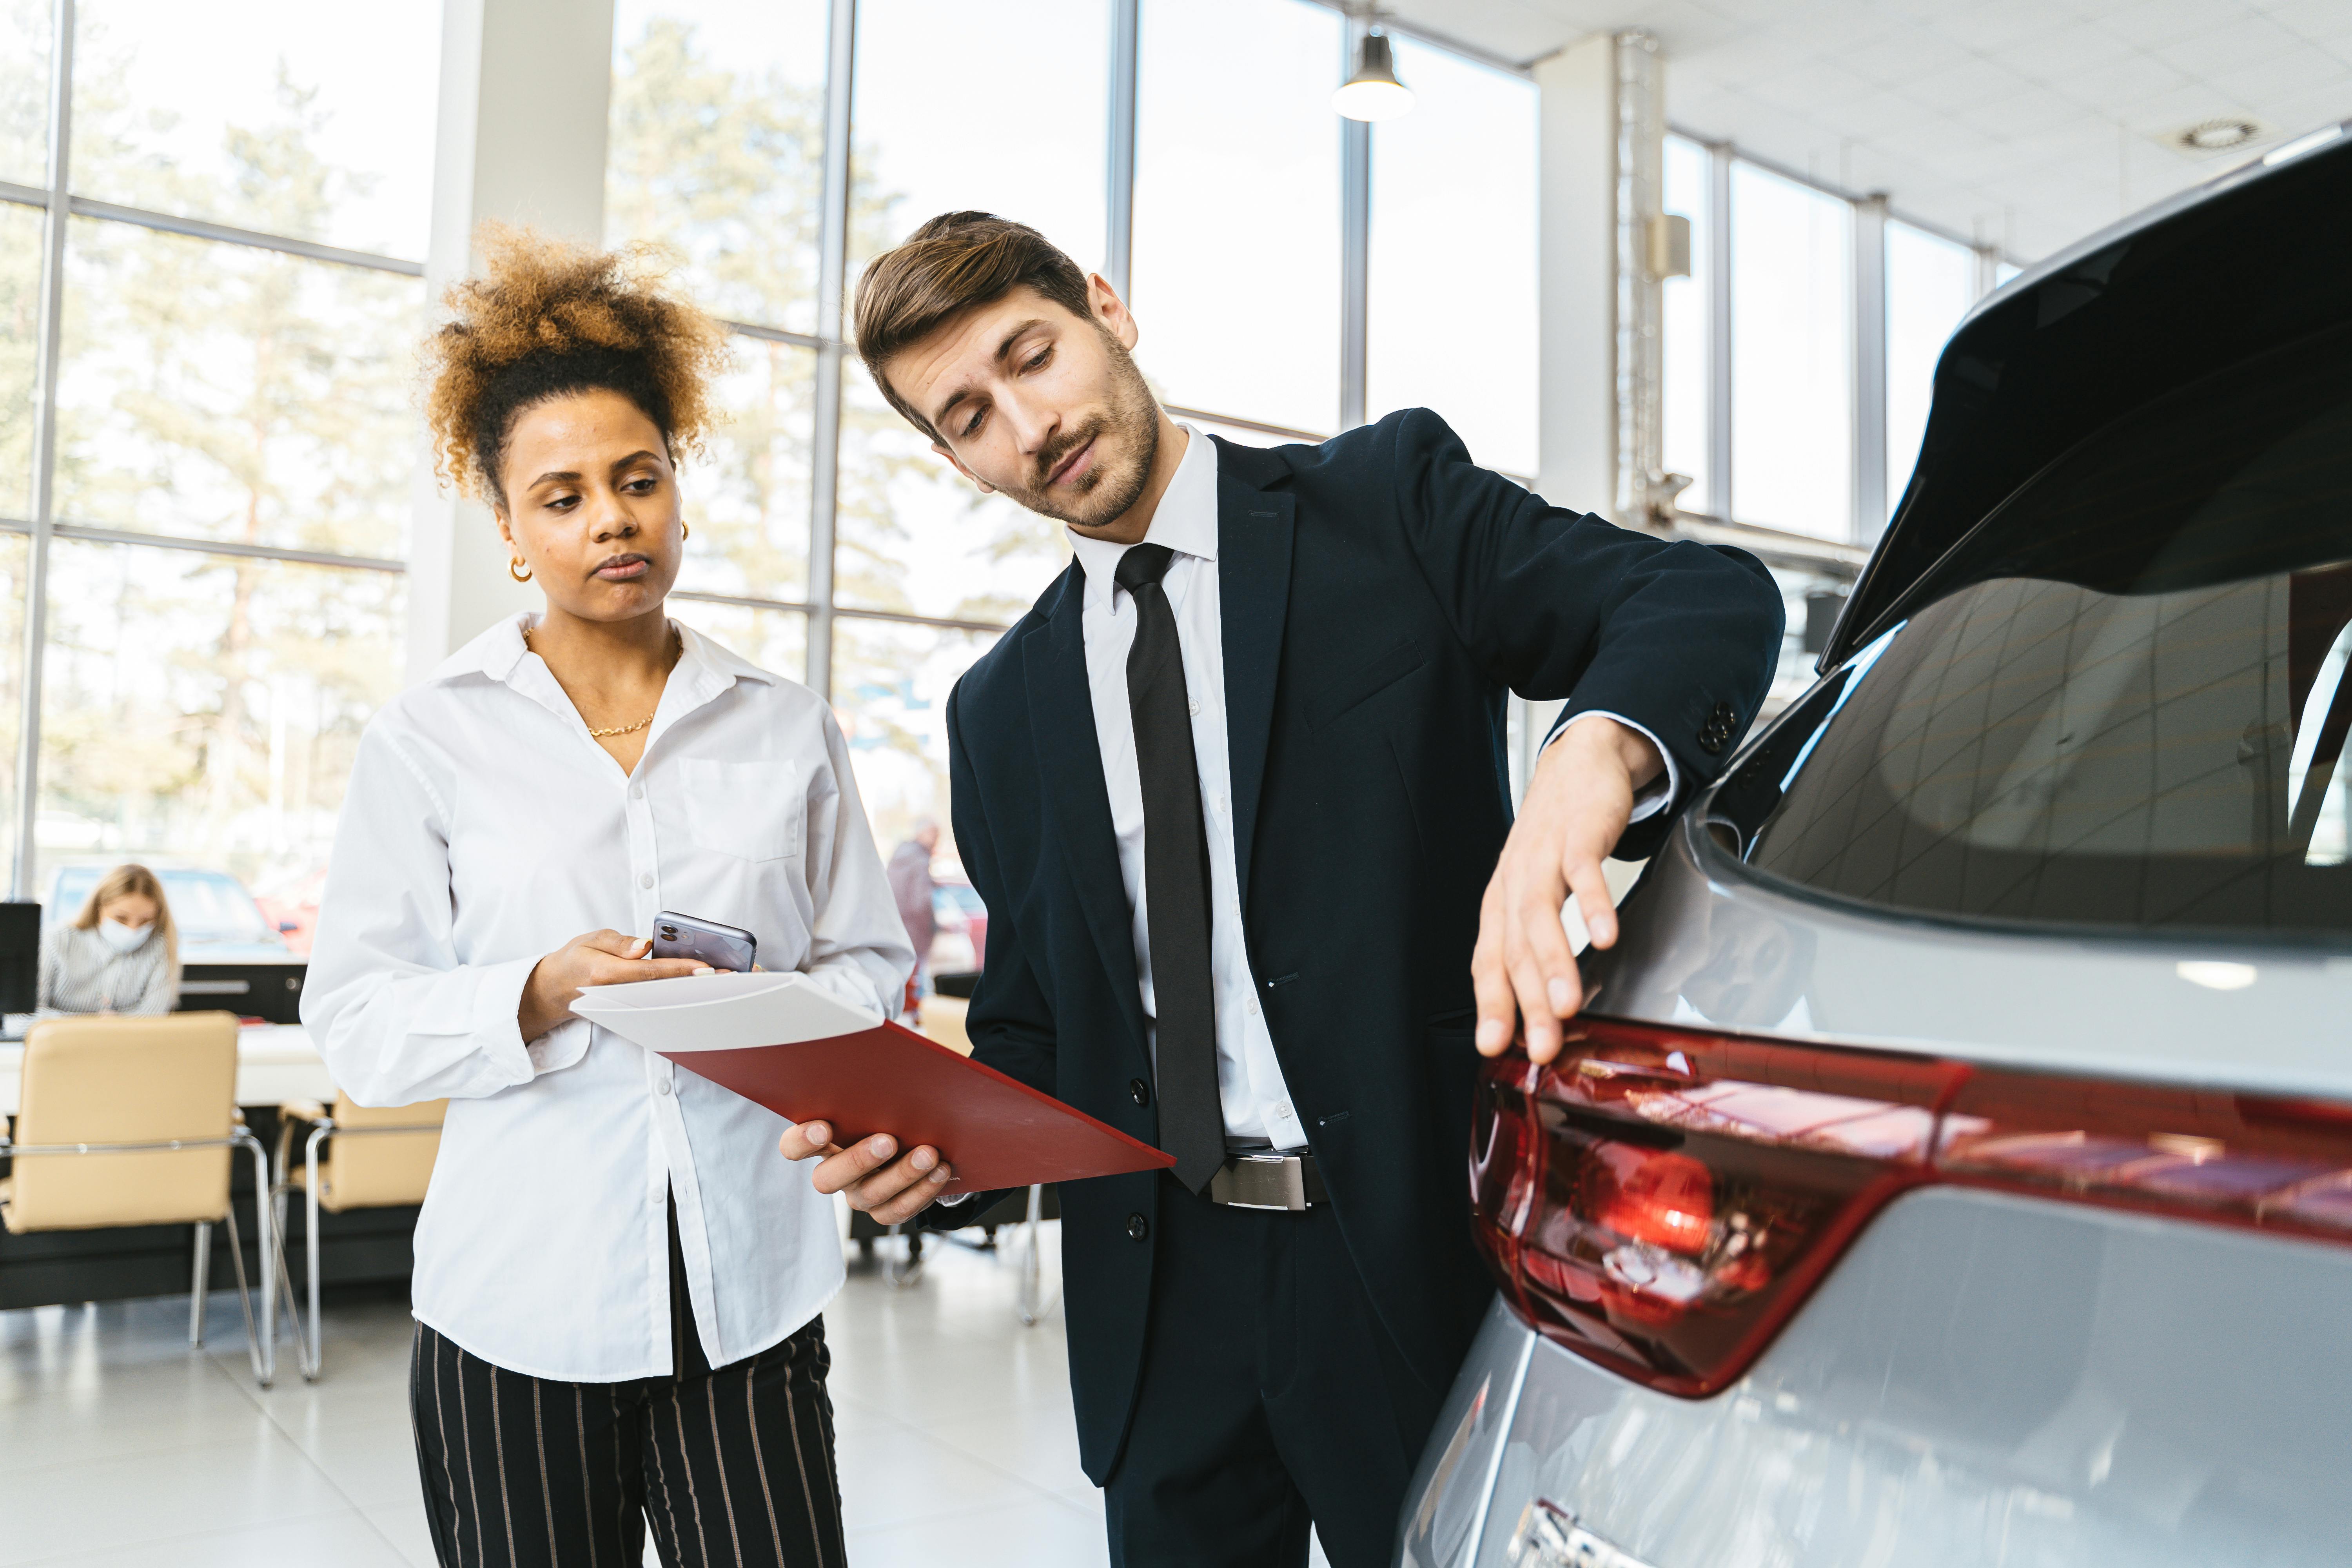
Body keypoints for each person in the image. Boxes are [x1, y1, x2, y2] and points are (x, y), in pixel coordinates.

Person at [775, 212, 1784, 1566]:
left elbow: (1703, 596)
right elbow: (1036, 1028)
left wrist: (1583, 767)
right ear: (953, 457)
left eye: (1032, 355)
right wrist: (935, 1146)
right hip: (1161, 1296)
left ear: (1106, 308)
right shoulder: (1001, 709)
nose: (1028, 422)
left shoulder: (1387, 506)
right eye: (968, 415)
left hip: (1407, 1260)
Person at [302, 227, 914, 1568]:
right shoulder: (431, 738)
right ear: (512, 528)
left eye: (637, 482)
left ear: (678, 494)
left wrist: (781, 1015)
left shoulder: (788, 727)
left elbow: (874, 966)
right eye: (563, 497)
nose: (611, 520)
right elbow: (353, 1015)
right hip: (520, 1303)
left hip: (749, 1293)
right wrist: (539, 990)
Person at [39, 863, 179, 1015]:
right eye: (121, 918)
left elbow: (152, 1017)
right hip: (58, 1039)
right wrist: (92, 1025)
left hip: (128, 1040)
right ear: (99, 907)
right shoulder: (57, 941)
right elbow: (21, 1018)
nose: (133, 930)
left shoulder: (159, 948)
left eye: (145, 921)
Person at [887, 817, 940, 989]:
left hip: (895, 930)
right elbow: (921, 903)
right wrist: (933, 928)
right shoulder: (920, 860)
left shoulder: (899, 856)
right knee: (918, 988)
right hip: (915, 934)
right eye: (934, 834)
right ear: (922, 833)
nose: (936, 840)